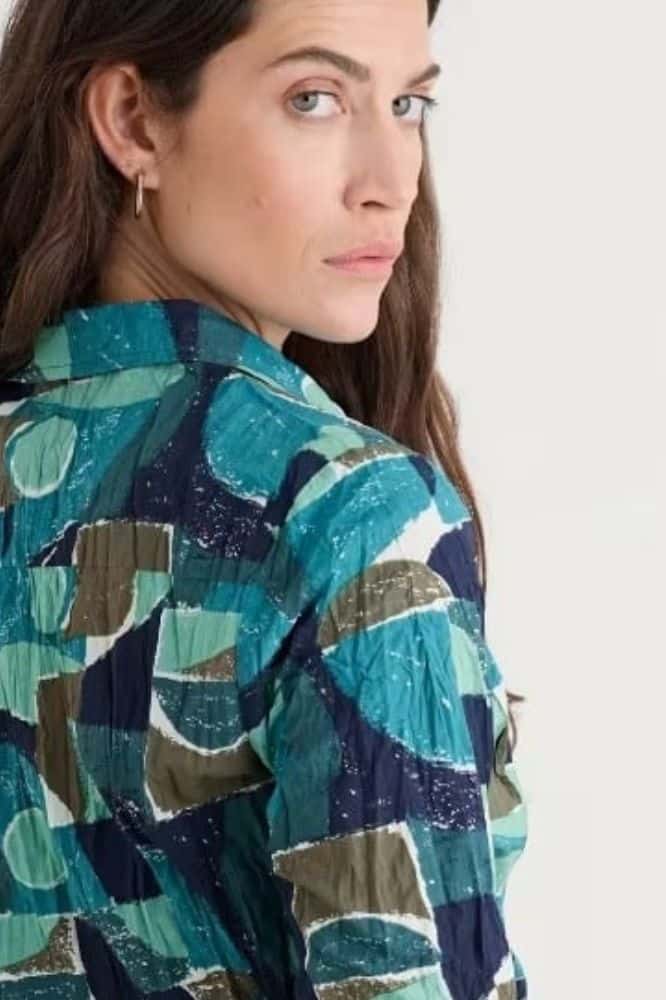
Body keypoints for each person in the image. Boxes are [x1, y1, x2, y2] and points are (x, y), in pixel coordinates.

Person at [0, 1, 529, 997]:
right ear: (134, 122)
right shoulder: (348, 512)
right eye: (315, 99)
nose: (390, 182)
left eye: (408, 104)